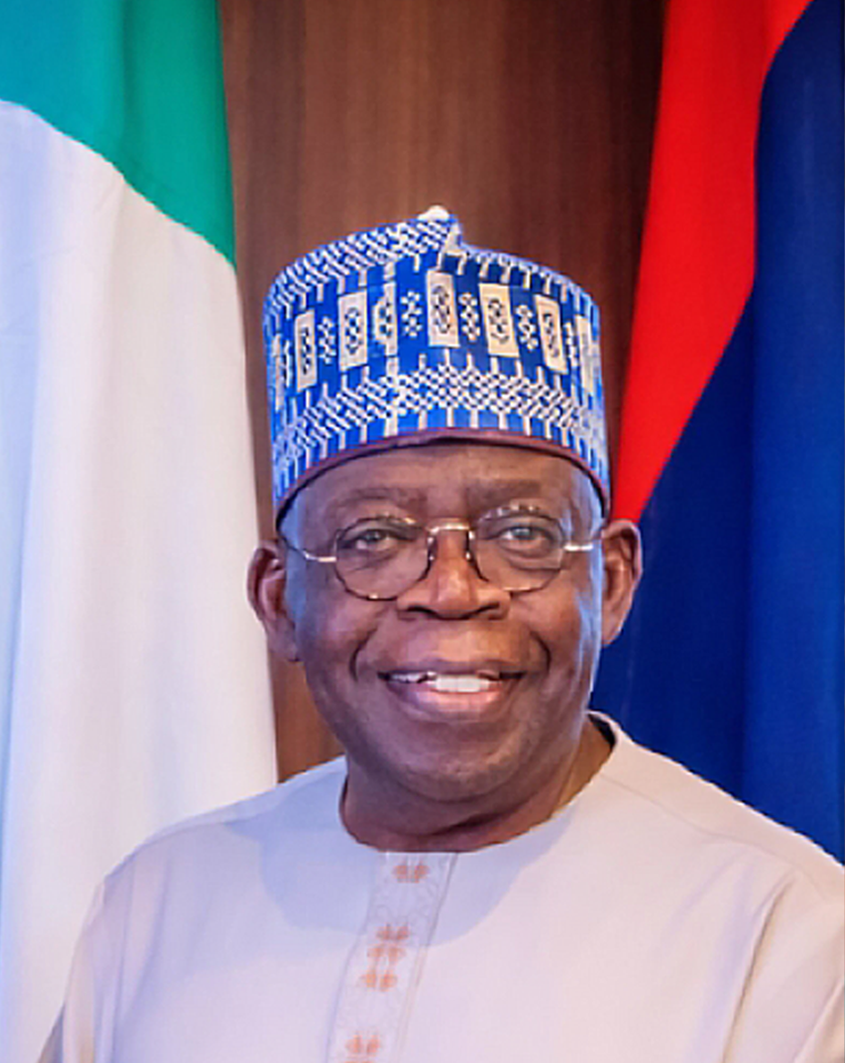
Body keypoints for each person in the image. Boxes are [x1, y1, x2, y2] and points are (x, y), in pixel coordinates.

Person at [41, 208, 844, 1062]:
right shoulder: (151, 912)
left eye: (523, 533)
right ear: (279, 601)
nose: (452, 590)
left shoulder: (785, 936)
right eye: (374, 538)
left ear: (609, 581)